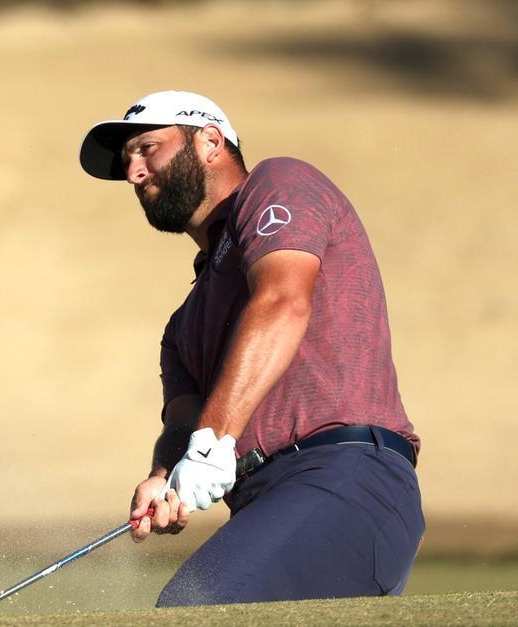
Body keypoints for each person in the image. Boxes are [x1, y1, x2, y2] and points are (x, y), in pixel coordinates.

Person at [78, 91, 424, 606]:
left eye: (148, 147)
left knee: (198, 606)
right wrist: (162, 476)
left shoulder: (277, 182)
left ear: (210, 141)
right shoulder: (182, 327)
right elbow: (183, 423)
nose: (134, 172)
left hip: (348, 475)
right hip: (267, 501)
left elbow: (283, 300)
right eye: (127, 160)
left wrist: (212, 442)